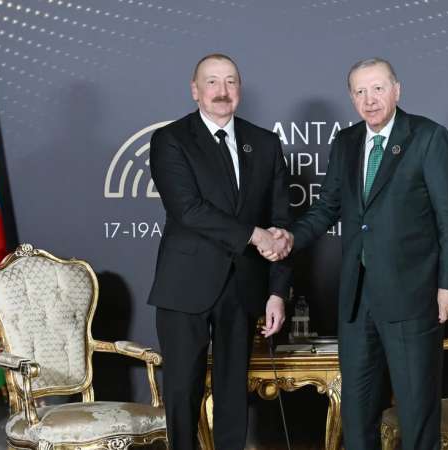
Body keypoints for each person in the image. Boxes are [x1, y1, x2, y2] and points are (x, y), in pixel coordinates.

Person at [264, 57, 448, 450]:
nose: (369, 99)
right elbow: (326, 208)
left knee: (417, 415)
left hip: (412, 297)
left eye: (377, 88)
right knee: (356, 416)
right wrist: (289, 238)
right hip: (357, 301)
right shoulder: (347, 141)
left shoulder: (428, 137)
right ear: (352, 98)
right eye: (360, 91)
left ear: (396, 90)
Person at [148, 53, 292, 450]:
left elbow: (281, 223)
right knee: (182, 391)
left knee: (233, 394)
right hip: (184, 286)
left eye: (230, 81)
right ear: (195, 90)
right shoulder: (171, 139)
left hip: (243, 287)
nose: (222, 91)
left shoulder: (264, 143)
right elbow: (188, 209)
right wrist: (255, 235)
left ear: (240, 89)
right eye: (212, 82)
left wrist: (277, 291)